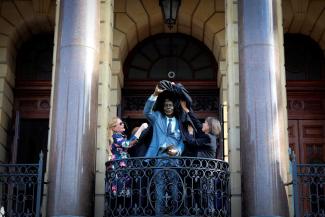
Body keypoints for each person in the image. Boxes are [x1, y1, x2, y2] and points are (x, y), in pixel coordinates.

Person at [144, 84, 185, 215]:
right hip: (159, 158)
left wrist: (177, 150)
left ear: (174, 106)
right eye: (166, 105)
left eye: (170, 105)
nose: (168, 107)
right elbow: (146, 112)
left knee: (175, 192)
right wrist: (155, 94)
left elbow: (182, 142)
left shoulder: (180, 121)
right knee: (159, 191)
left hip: (174, 160)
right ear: (163, 106)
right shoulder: (157, 117)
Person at [107, 117, 148, 197]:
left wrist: (140, 130)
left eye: (123, 123)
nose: (123, 125)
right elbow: (129, 144)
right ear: (114, 128)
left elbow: (131, 141)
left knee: (124, 194)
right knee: (119, 194)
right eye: (120, 123)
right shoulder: (116, 137)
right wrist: (141, 129)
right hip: (118, 167)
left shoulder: (120, 137)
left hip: (122, 167)